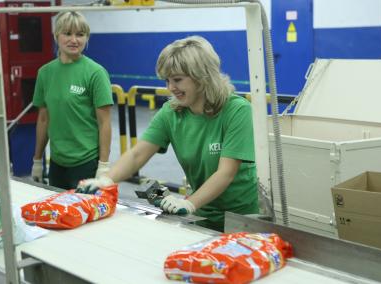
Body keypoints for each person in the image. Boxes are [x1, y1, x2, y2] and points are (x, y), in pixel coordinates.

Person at [78, 35, 258, 232]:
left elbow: (226, 173)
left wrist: (189, 203)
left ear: (202, 76)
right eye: (167, 80)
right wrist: (107, 179)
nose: (171, 88)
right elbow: (137, 154)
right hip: (201, 212)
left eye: (178, 80)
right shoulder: (171, 112)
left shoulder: (237, 111)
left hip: (241, 218)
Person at [31, 11, 113, 190]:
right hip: (57, 164)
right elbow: (44, 119)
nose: (74, 40)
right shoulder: (45, 73)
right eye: (67, 33)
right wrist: (37, 160)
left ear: (87, 38)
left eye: (80, 34)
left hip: (86, 162)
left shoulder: (96, 73)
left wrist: (104, 165)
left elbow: (104, 122)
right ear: (56, 36)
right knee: (59, 214)